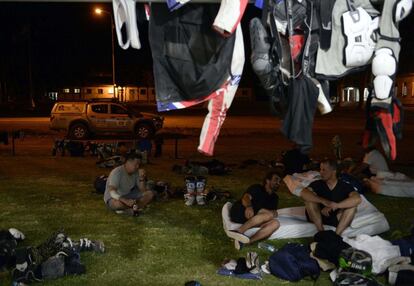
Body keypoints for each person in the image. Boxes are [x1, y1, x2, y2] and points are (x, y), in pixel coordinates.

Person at [299, 159, 362, 235]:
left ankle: (337, 235)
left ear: (333, 171)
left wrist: (335, 205)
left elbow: (357, 199)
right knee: (309, 200)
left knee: (352, 207)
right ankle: (321, 232)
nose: (320, 172)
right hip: (318, 216)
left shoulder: (344, 185)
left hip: (336, 217)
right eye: (320, 169)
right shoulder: (317, 184)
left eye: (324, 170)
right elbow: (303, 193)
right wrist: (324, 201)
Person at [228, 170, 281, 250]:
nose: (278, 183)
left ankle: (247, 242)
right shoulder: (257, 188)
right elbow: (246, 197)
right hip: (242, 212)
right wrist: (249, 206)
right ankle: (239, 232)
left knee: (275, 223)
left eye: (280, 181)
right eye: (276, 179)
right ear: (267, 180)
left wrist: (271, 214)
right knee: (268, 214)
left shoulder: (275, 198)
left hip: (256, 219)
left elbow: (272, 213)